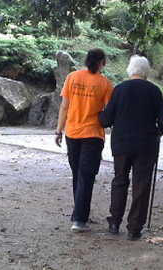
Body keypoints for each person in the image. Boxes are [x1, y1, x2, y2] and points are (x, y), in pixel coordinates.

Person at [98, 55, 163, 241]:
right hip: (146, 145)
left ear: (130, 70)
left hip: (121, 143)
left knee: (120, 181)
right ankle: (134, 228)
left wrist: (99, 114)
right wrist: (158, 131)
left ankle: (114, 222)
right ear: (146, 71)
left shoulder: (119, 89)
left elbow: (106, 120)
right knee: (141, 185)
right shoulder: (154, 91)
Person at [54, 48, 113, 232]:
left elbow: (64, 106)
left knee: (77, 175)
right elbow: (109, 111)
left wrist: (58, 131)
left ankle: (80, 213)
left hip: (72, 133)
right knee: (86, 176)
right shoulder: (105, 84)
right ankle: (79, 219)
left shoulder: (72, 77)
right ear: (102, 62)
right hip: (93, 135)